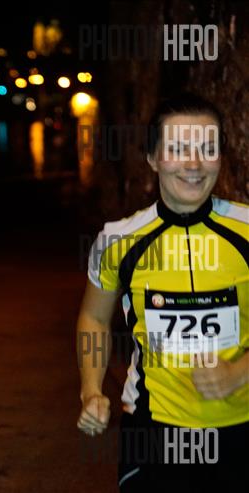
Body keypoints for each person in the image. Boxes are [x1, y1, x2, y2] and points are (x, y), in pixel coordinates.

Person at [76, 94, 248, 491]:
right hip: (154, 433)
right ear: (153, 158)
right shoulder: (117, 240)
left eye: (207, 149)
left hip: (242, 433)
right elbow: (94, 317)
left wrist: (239, 373)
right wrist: (90, 391)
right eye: (178, 149)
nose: (194, 164)